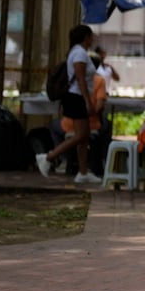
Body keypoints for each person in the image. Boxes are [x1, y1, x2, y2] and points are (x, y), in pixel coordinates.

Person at [37, 24, 101, 185]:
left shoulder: (78, 52)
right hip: (76, 97)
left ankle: (83, 171)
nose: (93, 39)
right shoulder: (79, 53)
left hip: (76, 96)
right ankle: (48, 157)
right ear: (86, 37)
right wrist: (88, 101)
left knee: (84, 137)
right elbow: (80, 79)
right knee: (80, 135)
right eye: (91, 36)